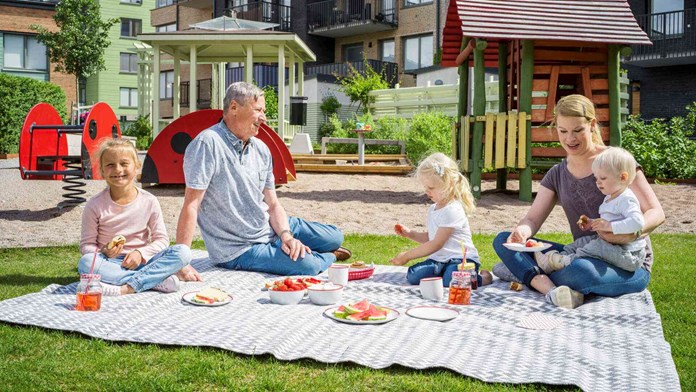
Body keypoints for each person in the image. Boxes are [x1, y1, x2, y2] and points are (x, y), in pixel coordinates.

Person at [493, 94, 665, 309]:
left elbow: (656, 212)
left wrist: (632, 233)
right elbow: (532, 218)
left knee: (581, 271)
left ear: (592, 125)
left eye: (577, 130)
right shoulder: (557, 173)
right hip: (580, 253)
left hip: (627, 265)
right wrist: (523, 232)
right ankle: (542, 282)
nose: (569, 139)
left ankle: (525, 273)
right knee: (502, 240)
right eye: (562, 131)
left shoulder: (615, 161)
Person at [175, 82, 349, 281]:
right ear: (234, 107)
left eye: (263, 111)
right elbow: (191, 204)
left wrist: (286, 235)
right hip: (240, 248)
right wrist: (182, 261)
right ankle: (329, 256)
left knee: (335, 236)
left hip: (268, 226)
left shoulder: (261, 149)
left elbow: (273, 203)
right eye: (258, 110)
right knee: (308, 265)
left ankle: (292, 245)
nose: (263, 118)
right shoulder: (207, 143)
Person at [79, 138, 191, 295]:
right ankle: (153, 281)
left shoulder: (149, 201)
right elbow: (86, 246)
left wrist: (141, 254)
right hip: (109, 263)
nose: (118, 169)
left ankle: (127, 287)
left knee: (183, 252)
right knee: (86, 263)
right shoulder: (94, 204)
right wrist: (103, 251)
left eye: (124, 164)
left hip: (144, 262)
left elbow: (162, 240)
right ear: (102, 171)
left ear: (137, 167)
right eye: (110, 165)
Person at [535, 147, 646, 273]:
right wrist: (592, 223)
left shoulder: (626, 199)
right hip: (611, 245)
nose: (598, 183)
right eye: (596, 178)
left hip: (629, 254)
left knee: (595, 247)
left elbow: (638, 222)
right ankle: (558, 257)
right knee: (582, 241)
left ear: (623, 177)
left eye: (603, 178)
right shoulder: (610, 197)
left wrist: (610, 226)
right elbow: (607, 221)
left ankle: (565, 262)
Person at [390, 152, 492, 287]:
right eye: (425, 187)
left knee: (452, 280)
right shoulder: (433, 209)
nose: (427, 191)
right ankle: (442, 273)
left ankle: (483, 278)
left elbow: (437, 243)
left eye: (431, 188)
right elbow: (432, 237)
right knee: (414, 275)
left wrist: (407, 255)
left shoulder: (453, 209)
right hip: (439, 259)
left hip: (460, 259)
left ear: (448, 184)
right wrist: (410, 234)